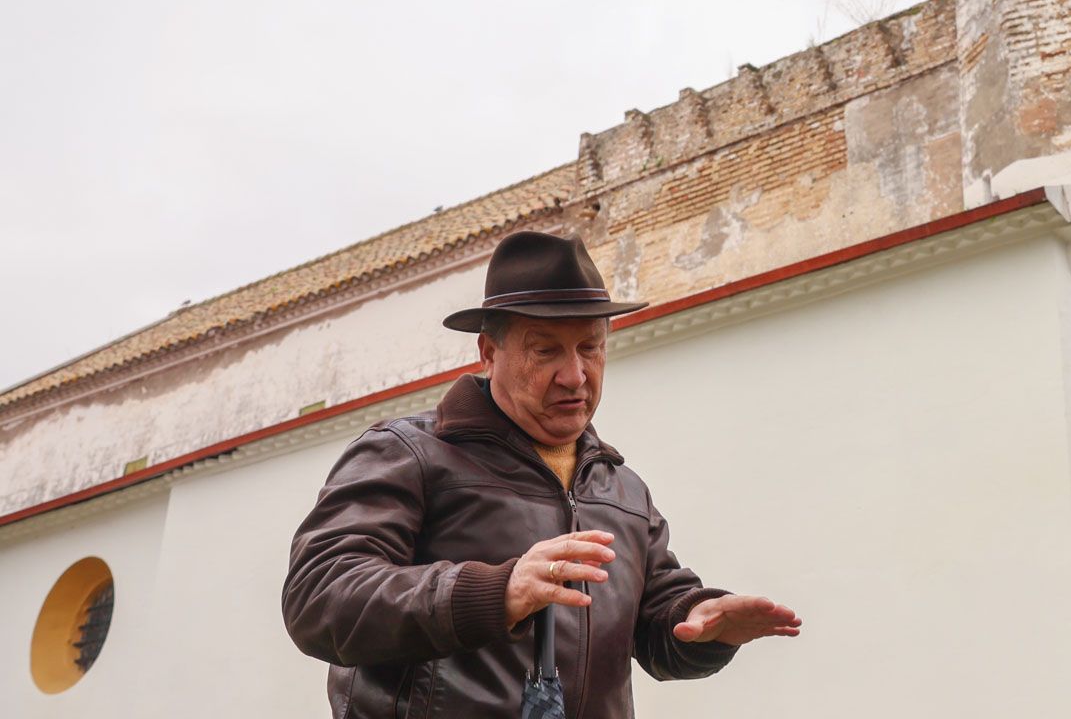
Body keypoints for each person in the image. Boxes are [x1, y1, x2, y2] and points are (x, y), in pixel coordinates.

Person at [283, 231, 800, 717]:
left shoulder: (624, 490)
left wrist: (703, 624)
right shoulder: (406, 453)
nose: (575, 375)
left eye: (590, 348)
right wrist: (496, 592)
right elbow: (319, 597)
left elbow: (658, 625)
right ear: (489, 353)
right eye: (546, 349)